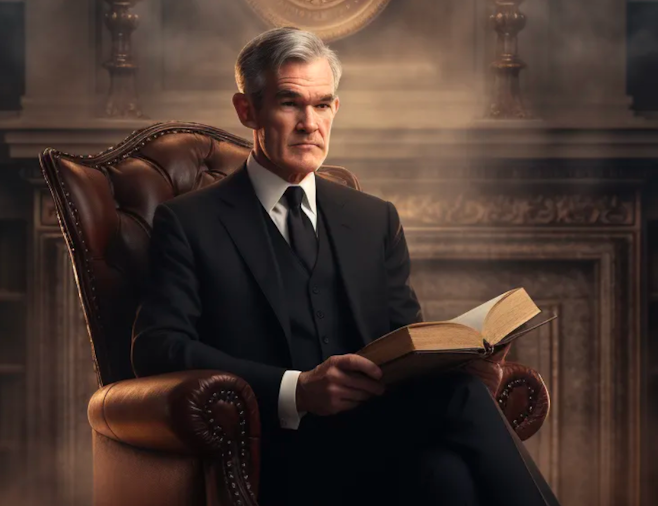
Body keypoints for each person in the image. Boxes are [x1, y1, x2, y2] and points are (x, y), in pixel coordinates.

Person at [132, 26, 561, 506]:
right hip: (270, 448)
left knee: (452, 453)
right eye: (289, 103)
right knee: (451, 454)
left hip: (380, 437)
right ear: (247, 110)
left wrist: (467, 369)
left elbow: (408, 342)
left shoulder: (373, 218)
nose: (309, 123)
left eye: (322, 105)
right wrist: (297, 390)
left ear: (335, 109)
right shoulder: (190, 222)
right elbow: (157, 347)